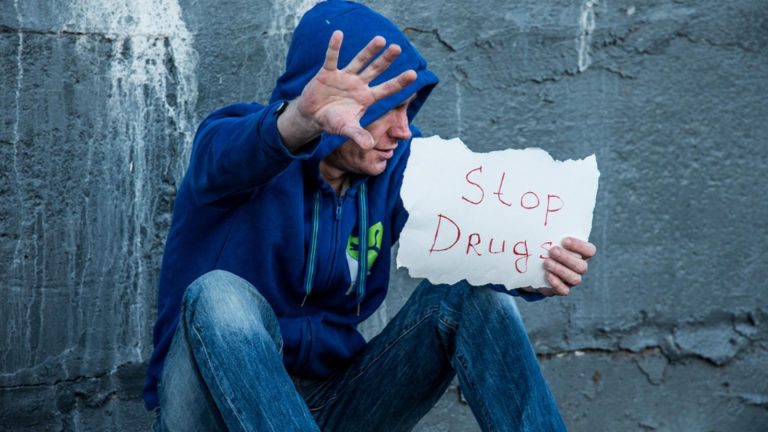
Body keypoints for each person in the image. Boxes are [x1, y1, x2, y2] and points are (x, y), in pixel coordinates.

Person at [143, 1, 597, 431]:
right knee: (219, 294)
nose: (403, 129)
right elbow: (237, 151)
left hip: (334, 402)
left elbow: (481, 239)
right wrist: (300, 120)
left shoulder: (399, 167)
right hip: (213, 406)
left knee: (474, 296)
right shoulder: (235, 149)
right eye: (386, 108)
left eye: (407, 107)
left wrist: (534, 271)